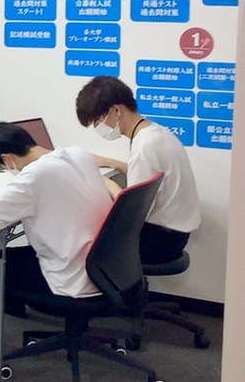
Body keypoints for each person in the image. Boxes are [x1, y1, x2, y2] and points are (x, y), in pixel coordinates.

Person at [0, 122, 113, 328]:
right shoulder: (77, 154)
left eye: (3, 167)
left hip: (70, 277)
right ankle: (10, 303)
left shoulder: (34, 175)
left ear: (7, 158)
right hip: (102, 267)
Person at [75, 75, 201, 263]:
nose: (97, 127)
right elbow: (153, 176)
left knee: (82, 243)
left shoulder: (144, 147)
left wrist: (105, 182)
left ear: (116, 110)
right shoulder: (156, 133)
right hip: (175, 234)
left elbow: (131, 214)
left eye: (97, 120)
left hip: (161, 241)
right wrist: (111, 163)